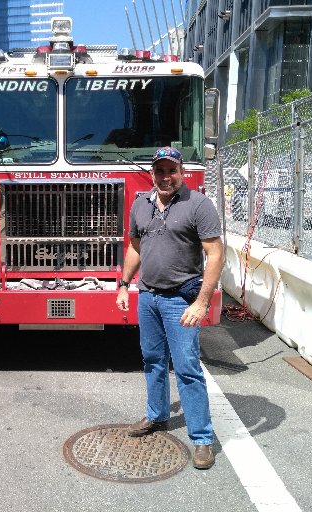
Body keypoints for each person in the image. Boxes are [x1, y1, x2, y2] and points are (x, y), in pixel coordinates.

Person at [116, 146, 224, 470]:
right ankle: (156, 415)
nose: (166, 177)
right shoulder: (140, 205)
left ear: (181, 172)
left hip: (181, 299)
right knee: (152, 360)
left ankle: (202, 439)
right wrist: (123, 284)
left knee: (188, 368)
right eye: (160, 171)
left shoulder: (199, 205)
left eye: (172, 170)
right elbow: (136, 247)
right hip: (147, 296)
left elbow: (215, 255)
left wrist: (202, 302)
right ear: (152, 173)